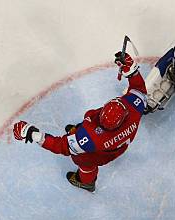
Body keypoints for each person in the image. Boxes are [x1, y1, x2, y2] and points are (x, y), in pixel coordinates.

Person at [12, 52, 146, 192]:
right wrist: (131, 70)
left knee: (84, 161)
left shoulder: (89, 139)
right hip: (119, 144)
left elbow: (61, 146)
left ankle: (86, 181)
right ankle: (76, 134)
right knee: (82, 135)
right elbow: (139, 89)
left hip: (99, 151)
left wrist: (32, 133)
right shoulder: (134, 106)